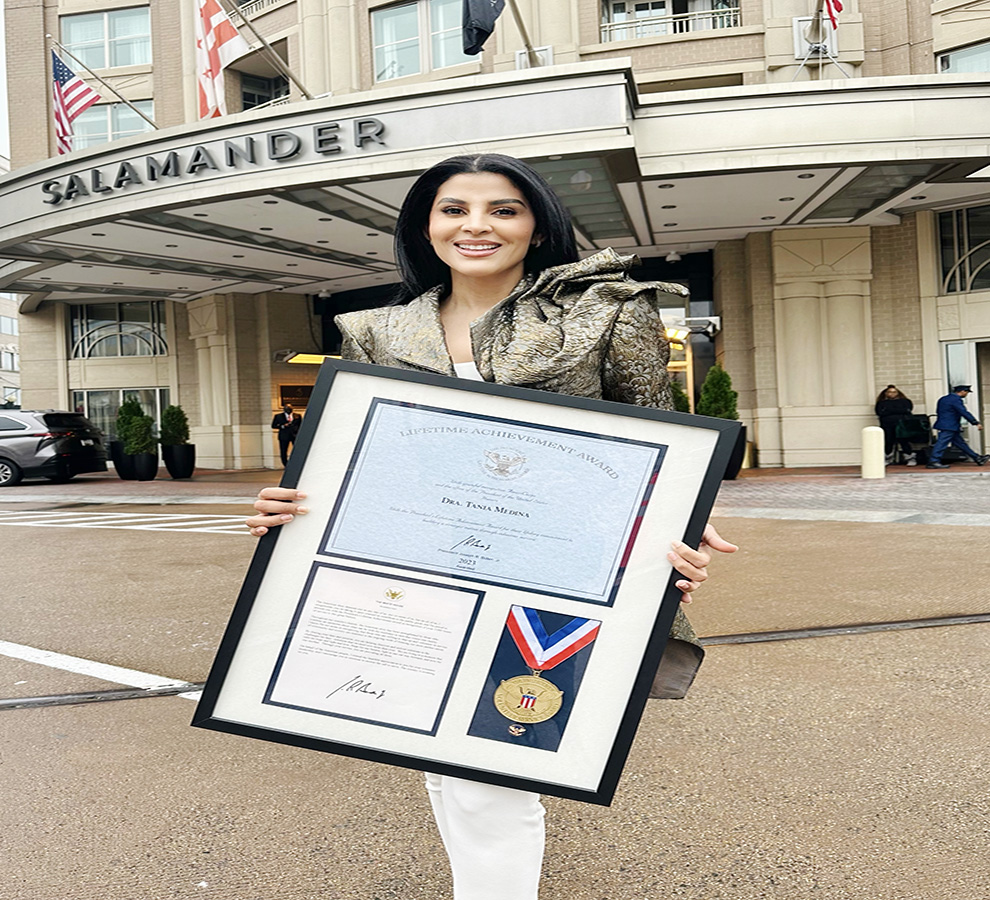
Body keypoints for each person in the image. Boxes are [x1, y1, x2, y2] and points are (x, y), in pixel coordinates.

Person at [245, 153, 737, 900]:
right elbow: (371, 462)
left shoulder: (607, 312)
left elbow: (662, 444)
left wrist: (681, 532)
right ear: (425, 227)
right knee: (442, 764)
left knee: (491, 775)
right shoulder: (378, 332)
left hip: (554, 581)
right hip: (421, 573)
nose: (476, 225)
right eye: (454, 209)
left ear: (538, 226)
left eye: (503, 209)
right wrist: (294, 509)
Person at [926, 385, 988, 469]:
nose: (966, 394)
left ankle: (977, 458)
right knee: (941, 444)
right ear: (962, 391)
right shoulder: (956, 399)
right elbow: (963, 412)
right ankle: (934, 461)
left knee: (960, 444)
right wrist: (975, 422)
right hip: (950, 426)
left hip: (946, 425)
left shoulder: (943, 399)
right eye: (966, 392)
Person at [874, 385, 917, 466]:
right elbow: (880, 412)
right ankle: (888, 458)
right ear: (885, 393)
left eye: (894, 392)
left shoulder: (905, 401)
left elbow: (907, 410)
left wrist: (889, 411)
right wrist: (898, 411)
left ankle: (909, 457)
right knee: (888, 441)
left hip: (902, 425)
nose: (892, 394)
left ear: (898, 393)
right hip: (887, 425)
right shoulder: (881, 403)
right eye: (889, 392)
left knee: (904, 441)